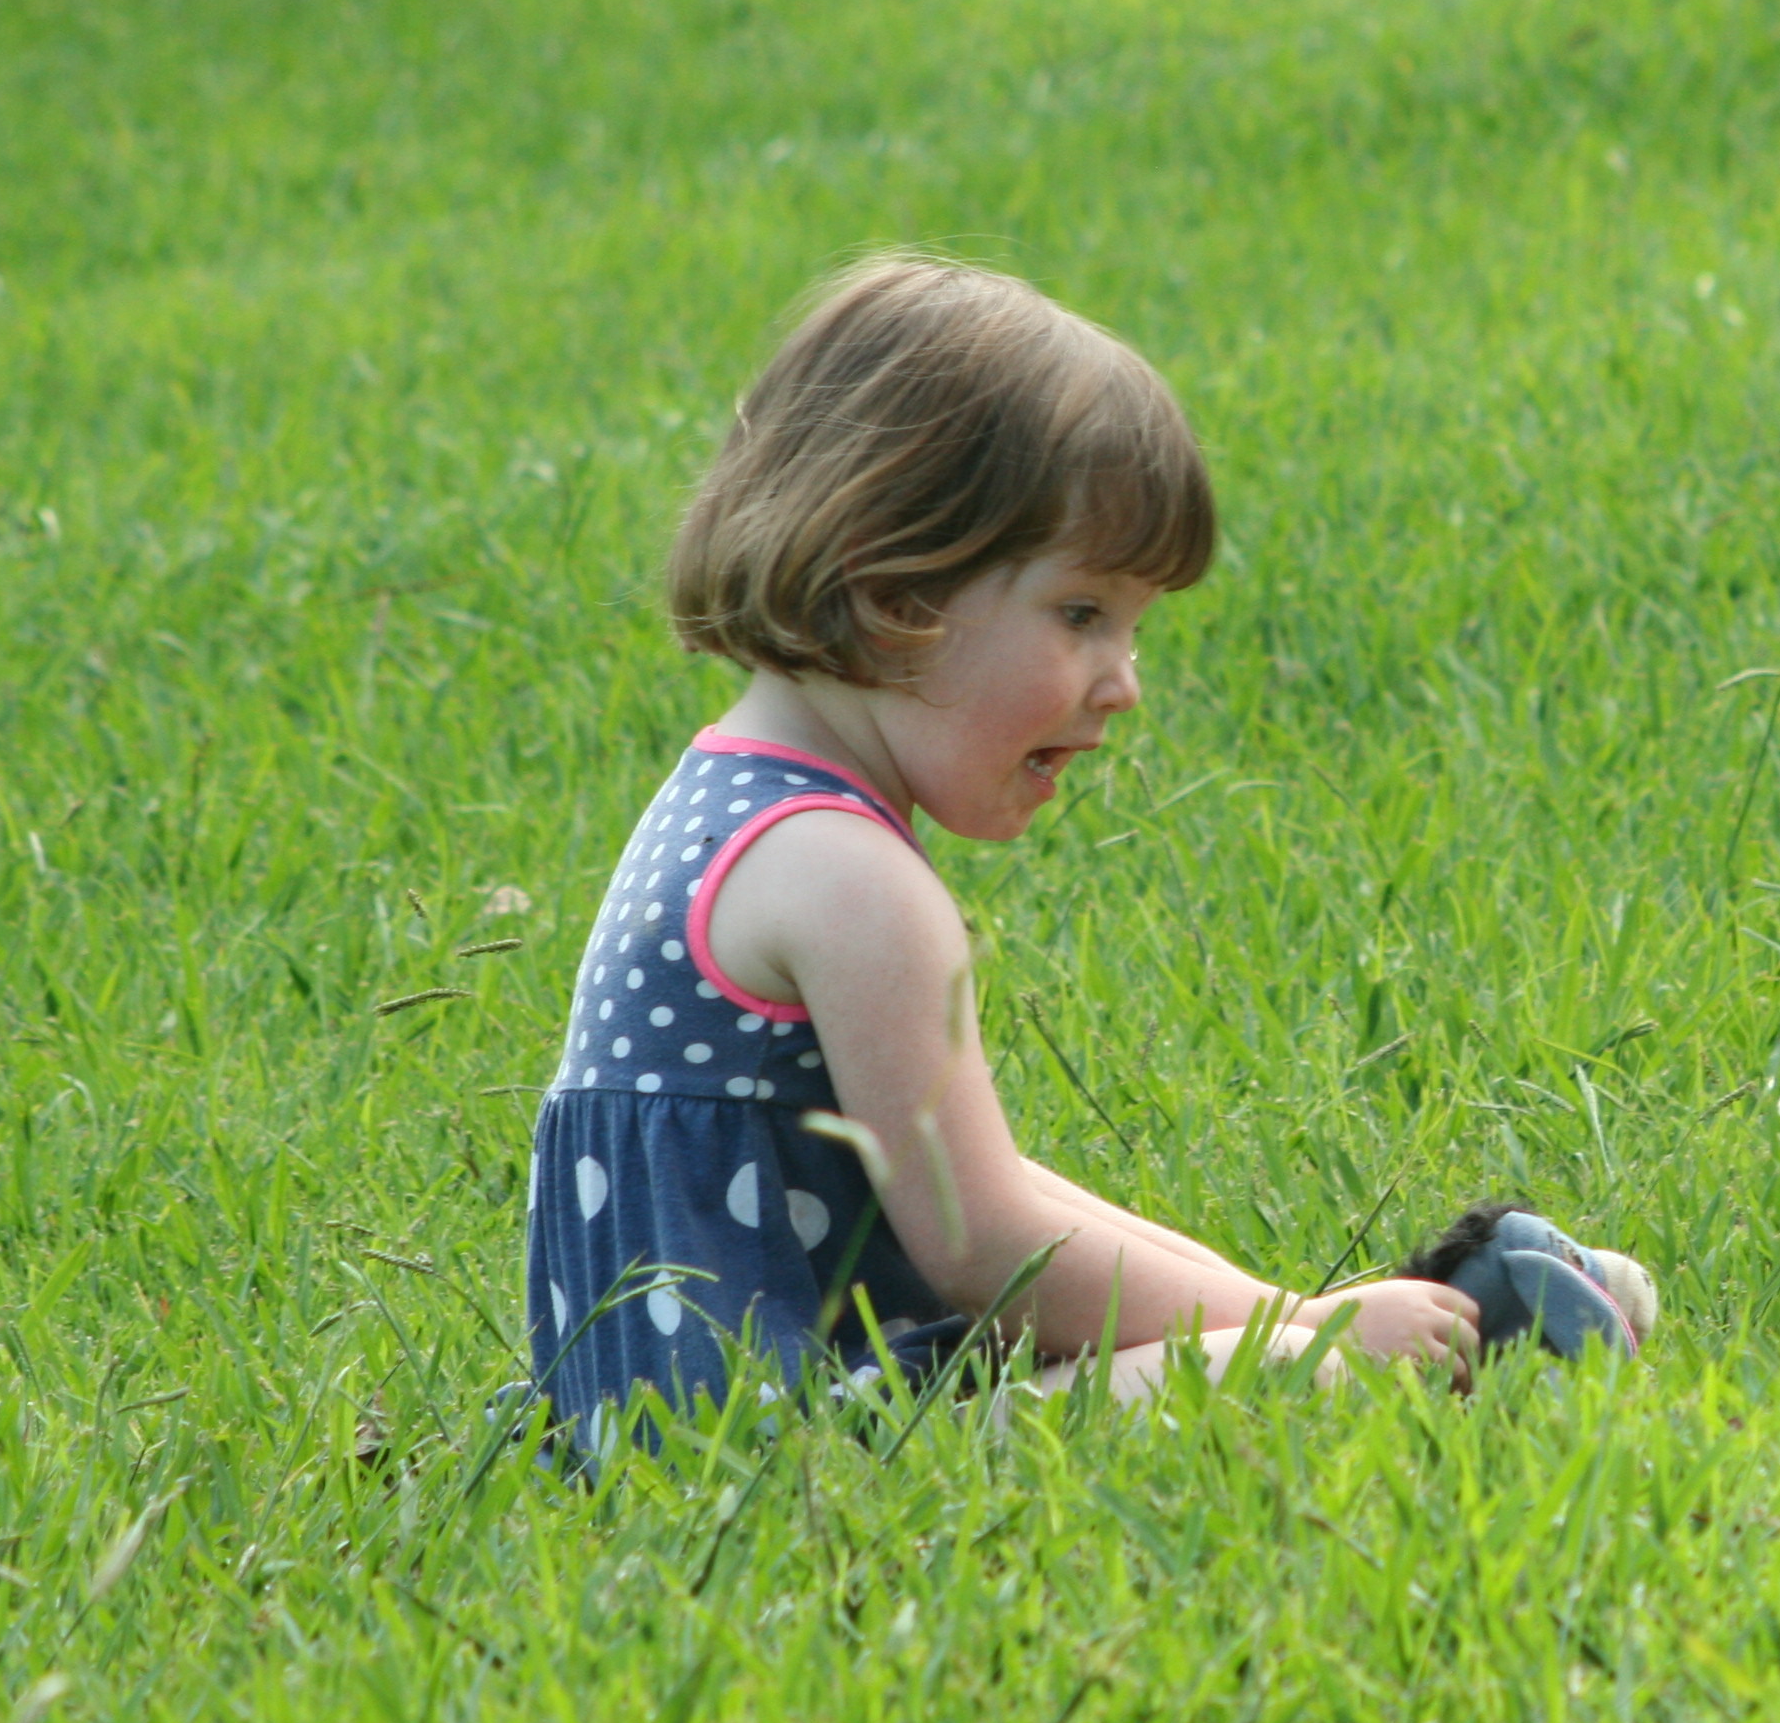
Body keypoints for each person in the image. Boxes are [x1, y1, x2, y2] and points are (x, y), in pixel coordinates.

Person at [524, 254, 1491, 1460]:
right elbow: (987, 1247)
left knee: (1275, 1348)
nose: (1125, 683)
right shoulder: (853, 880)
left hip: (679, 1438)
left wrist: (1292, 1304)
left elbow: (1000, 1193)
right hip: (795, 1469)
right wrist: (1303, 1331)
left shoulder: (729, 800)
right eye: (1082, 615)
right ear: (894, 593)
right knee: (1296, 1379)